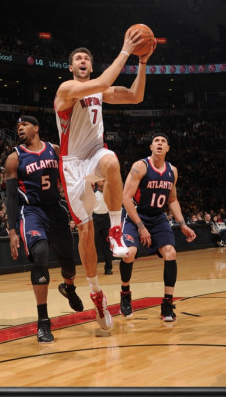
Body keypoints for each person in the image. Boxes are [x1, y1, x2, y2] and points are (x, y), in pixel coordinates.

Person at [54, 27, 156, 331]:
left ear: (91, 64)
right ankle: (96, 293)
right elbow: (102, 81)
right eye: (78, 59)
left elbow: (136, 96)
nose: (83, 60)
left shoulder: (99, 90)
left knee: (111, 158)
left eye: (87, 57)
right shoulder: (65, 90)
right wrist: (126, 49)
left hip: (95, 158)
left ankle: (114, 231)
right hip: (72, 168)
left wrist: (143, 62)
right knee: (85, 233)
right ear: (72, 68)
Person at [5, 115, 83, 344]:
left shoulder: (55, 150)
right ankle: (43, 322)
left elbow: (72, 177)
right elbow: (10, 196)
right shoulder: (14, 157)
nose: (20, 128)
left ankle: (69, 287)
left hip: (55, 209)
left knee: (68, 263)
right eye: (17, 126)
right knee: (39, 255)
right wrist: (12, 230)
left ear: (36, 128)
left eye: (25, 125)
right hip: (31, 211)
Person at [119, 133, 197, 321]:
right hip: (135, 215)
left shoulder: (173, 171)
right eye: (156, 141)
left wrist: (183, 224)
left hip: (157, 217)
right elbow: (125, 198)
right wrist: (140, 226)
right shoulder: (140, 166)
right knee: (129, 253)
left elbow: (172, 200)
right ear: (151, 147)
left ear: (168, 148)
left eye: (163, 142)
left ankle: (167, 305)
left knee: (170, 252)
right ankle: (125, 293)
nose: (160, 143)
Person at [93, 181, 113, 275]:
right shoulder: (93, 193)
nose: (102, 183)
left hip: (106, 219)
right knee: (94, 246)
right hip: (95, 219)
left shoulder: (109, 193)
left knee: (107, 245)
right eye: (101, 181)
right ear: (97, 182)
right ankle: (93, 268)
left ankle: (108, 268)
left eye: (104, 181)